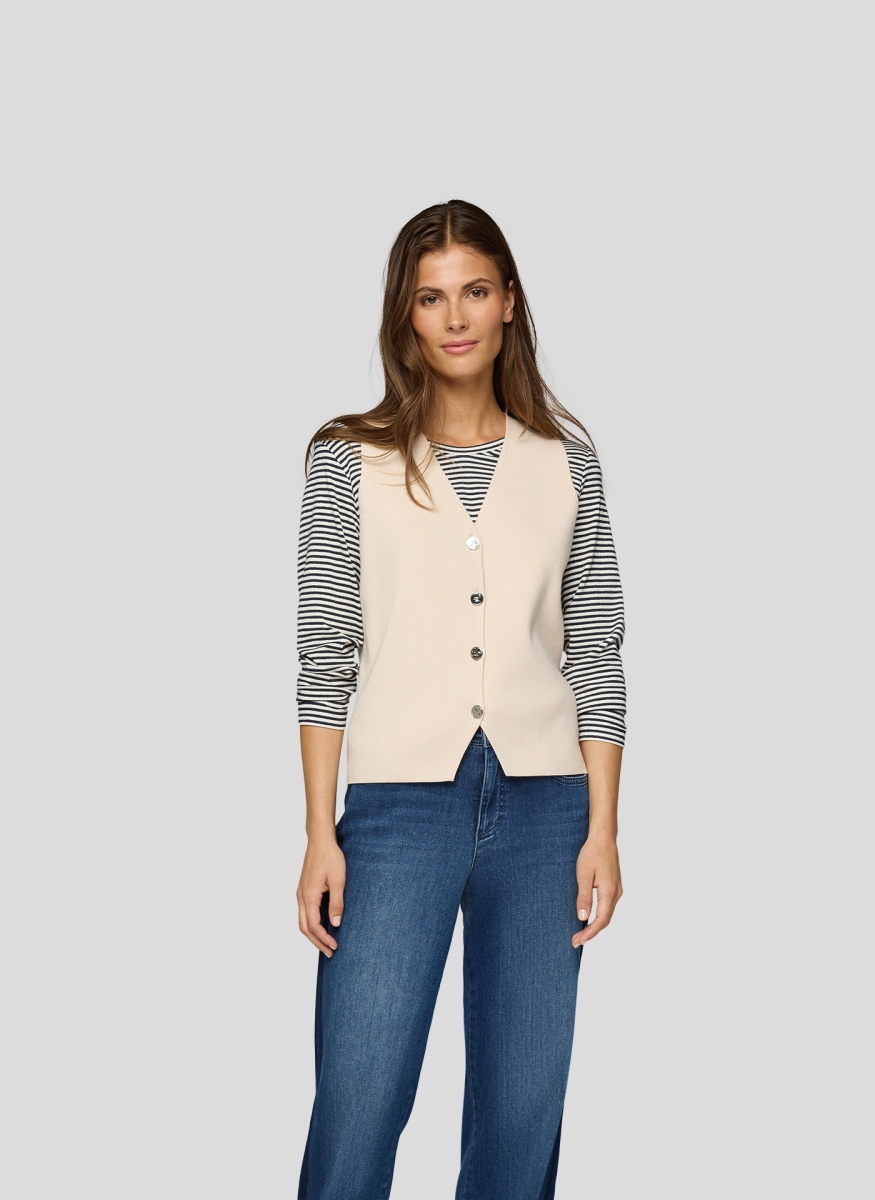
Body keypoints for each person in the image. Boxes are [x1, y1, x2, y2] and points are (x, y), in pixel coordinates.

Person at [295, 199, 626, 1200]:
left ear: (508, 302)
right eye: (429, 297)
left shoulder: (564, 461)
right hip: (396, 808)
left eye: (473, 291)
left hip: (546, 807)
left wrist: (602, 830)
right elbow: (323, 654)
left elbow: (596, 653)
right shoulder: (345, 458)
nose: (454, 317)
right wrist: (318, 833)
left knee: (521, 1113)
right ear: (404, 314)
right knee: (359, 1097)